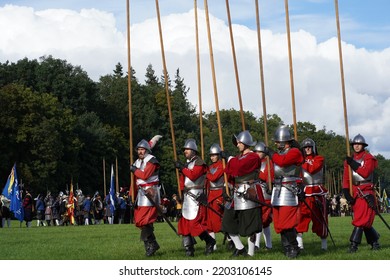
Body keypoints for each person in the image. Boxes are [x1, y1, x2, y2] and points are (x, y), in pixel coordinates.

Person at [220, 130, 264, 257]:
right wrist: (226, 187)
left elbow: (239, 167)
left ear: (245, 143)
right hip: (236, 192)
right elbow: (230, 172)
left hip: (250, 191)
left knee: (251, 224)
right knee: (227, 222)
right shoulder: (237, 157)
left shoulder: (253, 157)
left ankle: (250, 253)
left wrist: (228, 158)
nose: (237, 144)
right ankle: (240, 248)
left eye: (239, 142)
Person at [174, 138, 216, 257]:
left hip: (196, 196)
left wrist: (182, 168)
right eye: (184, 150)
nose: (185, 151)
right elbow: (183, 181)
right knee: (184, 224)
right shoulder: (188, 164)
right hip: (187, 196)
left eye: (187, 149)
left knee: (195, 224)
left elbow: (193, 176)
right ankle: (189, 249)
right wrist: (180, 193)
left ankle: (209, 241)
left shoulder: (199, 163)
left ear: (193, 150)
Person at [267, 125, 304, 259]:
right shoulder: (279, 154)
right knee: (278, 223)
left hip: (289, 189)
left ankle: (294, 246)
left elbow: (282, 162)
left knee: (286, 222)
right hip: (278, 189)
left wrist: (271, 154)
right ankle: (287, 248)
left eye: (277, 141)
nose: (276, 143)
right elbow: (274, 171)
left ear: (284, 141)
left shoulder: (294, 152)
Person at [343, 134, 379, 253]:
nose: (356, 146)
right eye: (354, 144)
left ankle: (354, 245)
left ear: (363, 145)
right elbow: (346, 179)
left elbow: (365, 172)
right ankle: (375, 242)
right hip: (355, 192)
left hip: (366, 192)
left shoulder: (369, 158)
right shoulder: (349, 160)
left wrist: (352, 163)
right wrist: (347, 193)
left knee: (360, 220)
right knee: (364, 222)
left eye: (359, 144)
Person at [130, 135, 162, 257]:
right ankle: (152, 244)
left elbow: (145, 175)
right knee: (139, 221)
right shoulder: (137, 162)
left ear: (147, 150)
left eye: (142, 149)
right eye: (138, 149)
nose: (140, 151)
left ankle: (151, 245)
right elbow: (135, 181)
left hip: (151, 192)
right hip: (141, 193)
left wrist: (134, 170)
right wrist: (131, 195)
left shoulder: (152, 160)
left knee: (144, 220)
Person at [296, 138, 328, 250]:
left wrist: (302, 161)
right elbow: (298, 176)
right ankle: (299, 245)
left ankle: (324, 244)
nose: (307, 149)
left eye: (309, 146)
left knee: (320, 218)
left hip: (317, 191)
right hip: (305, 192)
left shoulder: (319, 158)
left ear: (313, 147)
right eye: (305, 147)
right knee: (301, 218)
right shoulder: (299, 160)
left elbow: (312, 169)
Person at [253, 141, 274, 251]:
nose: (257, 153)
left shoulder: (268, 163)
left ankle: (264, 244)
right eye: (255, 151)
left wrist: (256, 173)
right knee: (259, 221)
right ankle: (260, 244)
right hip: (255, 194)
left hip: (265, 195)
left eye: (259, 152)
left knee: (264, 222)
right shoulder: (253, 162)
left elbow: (267, 177)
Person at [205, 144, 225, 251]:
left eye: (214, 155)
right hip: (210, 195)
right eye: (211, 155)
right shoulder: (210, 167)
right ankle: (213, 245)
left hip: (219, 194)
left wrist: (206, 172)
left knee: (218, 221)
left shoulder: (222, 165)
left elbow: (213, 177)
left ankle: (231, 239)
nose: (212, 157)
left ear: (219, 155)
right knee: (210, 223)